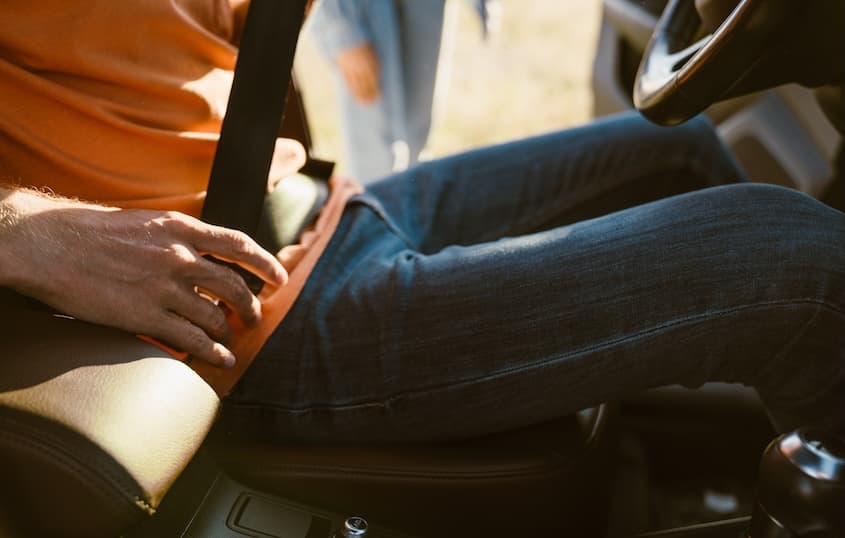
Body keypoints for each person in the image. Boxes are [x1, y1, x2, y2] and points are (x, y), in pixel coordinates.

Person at [1, 0, 843, 444]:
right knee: (795, 266)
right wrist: (25, 232)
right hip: (237, 317)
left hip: (312, 207)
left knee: (681, 147)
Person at [307, 0, 492, 183]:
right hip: (359, 11)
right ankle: (374, 207)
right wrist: (339, 28)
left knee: (417, 142)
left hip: (426, 8)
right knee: (374, 153)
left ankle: (411, 205)